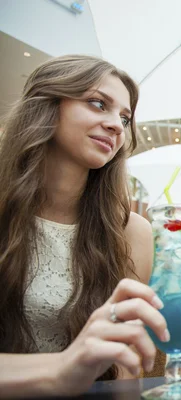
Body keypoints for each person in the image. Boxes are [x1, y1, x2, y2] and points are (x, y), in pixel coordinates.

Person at [0, 55, 168, 397]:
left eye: (124, 118)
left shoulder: (130, 231)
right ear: (47, 105)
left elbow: (126, 371)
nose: (117, 126)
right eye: (97, 104)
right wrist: (61, 369)